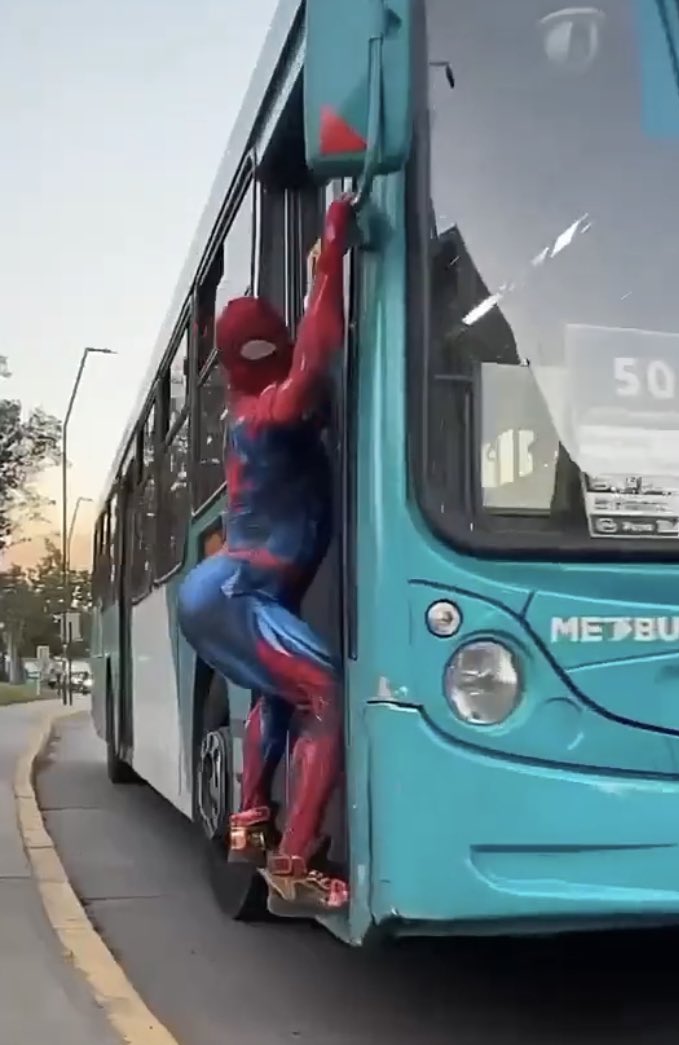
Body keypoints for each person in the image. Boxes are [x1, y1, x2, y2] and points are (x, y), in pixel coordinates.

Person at [178, 195, 355, 913]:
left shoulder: (245, 412)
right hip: (238, 592)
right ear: (262, 353)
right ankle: (296, 858)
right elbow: (315, 361)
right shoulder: (268, 413)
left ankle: (251, 821)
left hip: (234, 591)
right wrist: (331, 259)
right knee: (325, 695)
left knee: (280, 696)